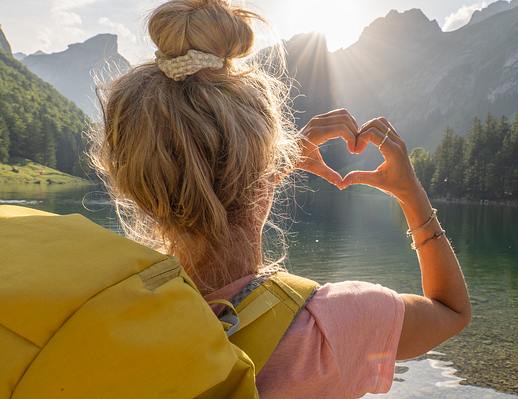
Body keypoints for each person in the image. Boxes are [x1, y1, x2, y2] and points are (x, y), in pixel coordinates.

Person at [89, 0, 471, 397]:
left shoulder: (105, 314)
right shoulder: (333, 326)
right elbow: (451, 311)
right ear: (263, 169)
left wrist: (270, 165)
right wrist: (411, 193)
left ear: (131, 179)